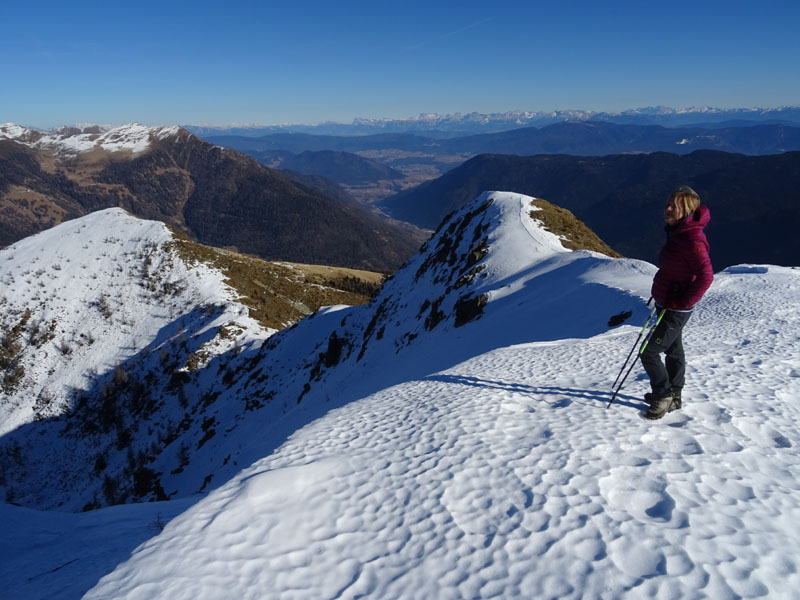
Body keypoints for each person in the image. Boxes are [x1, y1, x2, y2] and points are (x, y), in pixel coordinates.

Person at [641, 185, 714, 419]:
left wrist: (683, 301)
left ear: (688, 209)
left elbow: (706, 275)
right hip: (669, 302)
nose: (668, 208)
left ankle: (662, 395)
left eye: (675, 205)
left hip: (676, 307)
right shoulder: (678, 232)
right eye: (668, 204)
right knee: (673, 350)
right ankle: (674, 395)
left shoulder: (692, 237)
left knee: (649, 352)